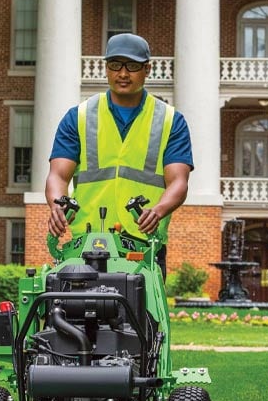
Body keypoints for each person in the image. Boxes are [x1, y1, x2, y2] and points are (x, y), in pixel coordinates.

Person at [45, 33, 194, 273]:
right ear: (106, 68)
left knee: (144, 311)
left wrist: (157, 211)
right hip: (86, 242)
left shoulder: (170, 120)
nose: (122, 74)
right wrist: (56, 206)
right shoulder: (78, 117)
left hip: (144, 243)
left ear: (147, 69)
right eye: (115, 65)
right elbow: (58, 176)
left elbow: (178, 181)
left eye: (132, 66)